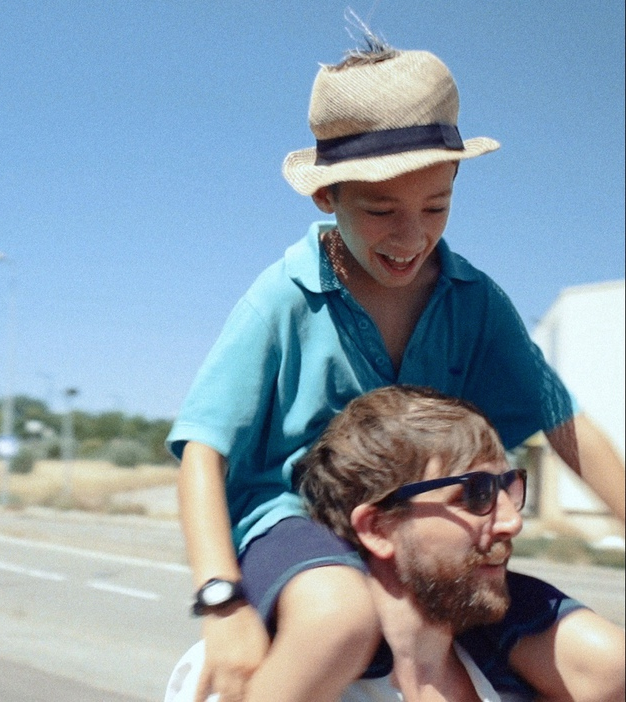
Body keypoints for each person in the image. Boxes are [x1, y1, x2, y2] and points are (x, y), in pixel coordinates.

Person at [167, 26, 625, 702]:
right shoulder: (280, 299)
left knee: (606, 663)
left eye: (435, 206)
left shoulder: (474, 300)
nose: (412, 235)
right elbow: (203, 453)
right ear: (328, 196)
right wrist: (220, 599)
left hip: (430, 537)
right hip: (299, 528)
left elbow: (564, 425)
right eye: (382, 210)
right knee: (336, 617)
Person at [298, 386, 625, 702]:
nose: (512, 522)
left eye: (508, 486)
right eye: (475, 494)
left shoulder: (516, 683)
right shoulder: (317, 689)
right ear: (378, 529)